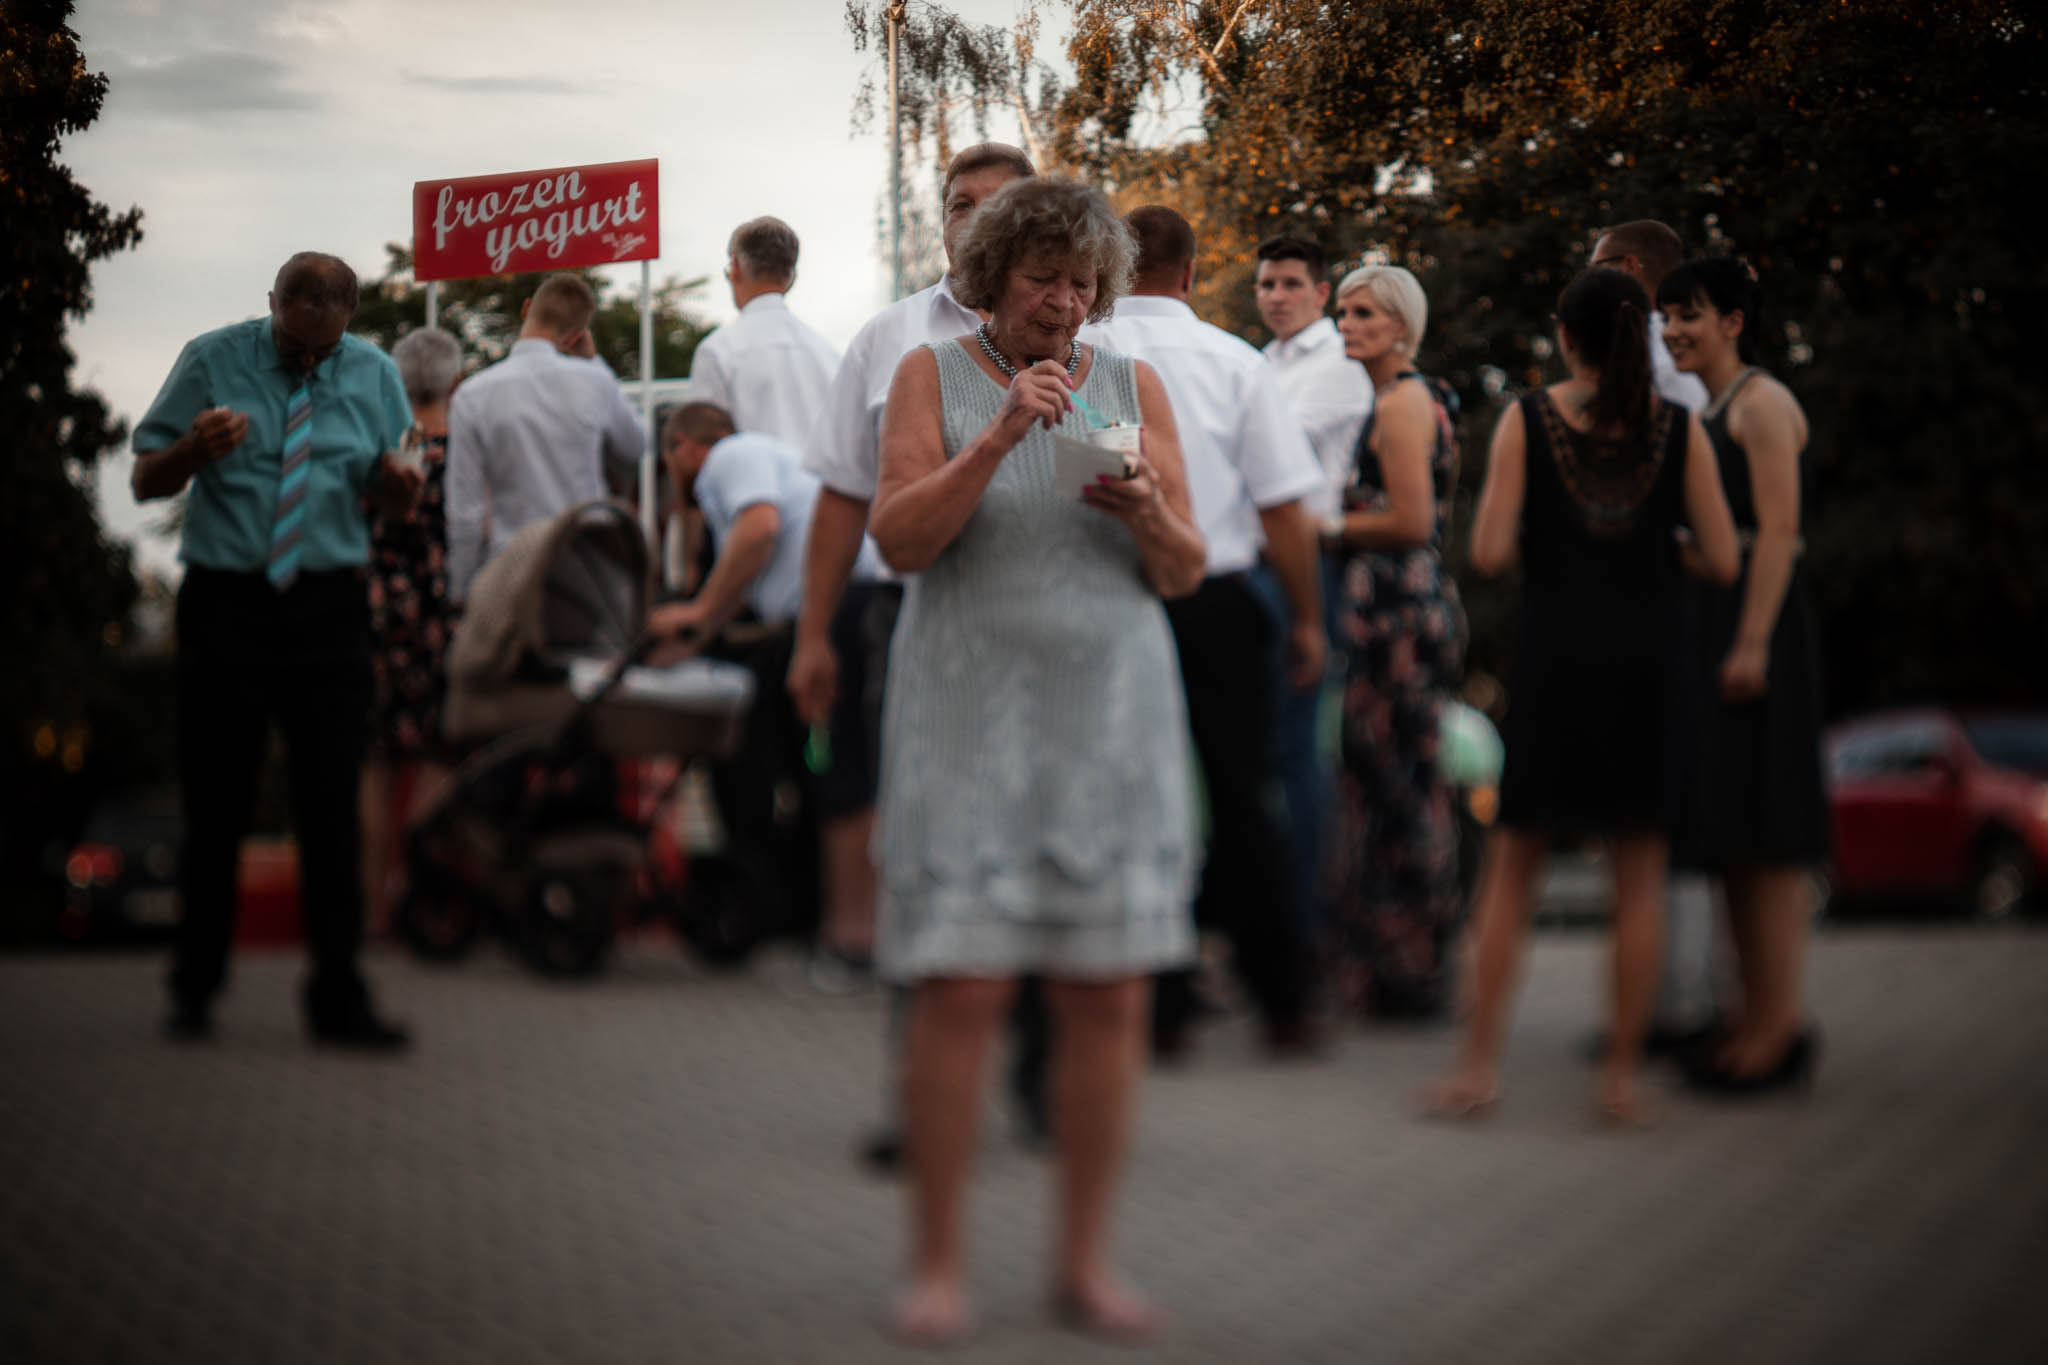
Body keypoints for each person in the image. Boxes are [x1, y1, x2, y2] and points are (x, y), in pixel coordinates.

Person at [867, 176, 1206, 1345]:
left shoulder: (1130, 383)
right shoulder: (930, 377)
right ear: (992, 283)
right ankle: (938, 1264)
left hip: (1105, 720)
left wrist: (1148, 512)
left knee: (1106, 998)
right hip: (967, 721)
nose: (1064, 304)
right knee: (962, 988)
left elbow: (1186, 570)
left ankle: (1081, 1264)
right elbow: (899, 540)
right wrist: (1004, 431)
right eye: (1040, 280)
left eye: (1081, 283)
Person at [1429, 267, 1739, 1125]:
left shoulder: (1529, 420)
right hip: (1649, 670)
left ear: (1565, 337)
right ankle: (1620, 1083)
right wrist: (1657, 548)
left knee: (1511, 871)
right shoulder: (1679, 428)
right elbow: (1721, 558)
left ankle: (1478, 1069)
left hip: (1555, 666)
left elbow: (1488, 551)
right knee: (1637, 875)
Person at [789, 142, 1049, 1163]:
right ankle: (919, 1100)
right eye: (958, 203)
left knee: (1035, 854)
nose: (973, 218)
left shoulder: (1082, 333)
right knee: (925, 855)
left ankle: (1039, 1086)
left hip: (1039, 627)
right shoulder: (889, 339)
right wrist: (812, 634)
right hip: (909, 621)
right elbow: (844, 498)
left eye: (998, 205)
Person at [131, 252, 423, 1048]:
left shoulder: (372, 375)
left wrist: (399, 487)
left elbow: (400, 492)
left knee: (330, 807)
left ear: (348, 325)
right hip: (227, 600)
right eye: (294, 343)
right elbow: (144, 481)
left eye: (322, 349)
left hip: (328, 602)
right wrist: (193, 450)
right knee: (216, 801)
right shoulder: (211, 358)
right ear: (271, 306)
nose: (306, 361)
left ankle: (338, 996)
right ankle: (194, 986)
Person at [1100, 206, 1327, 1059]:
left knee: (1132, 798)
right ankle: (1284, 1001)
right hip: (1221, 597)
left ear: (1113, 271)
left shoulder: (1090, 359)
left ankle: (1155, 1008)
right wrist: (1306, 617)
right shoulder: (1237, 363)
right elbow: (1283, 506)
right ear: (1192, 274)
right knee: (1241, 794)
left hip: (1121, 591)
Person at [1659, 257, 1829, 1094]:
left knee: (1770, 844)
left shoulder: (1763, 404)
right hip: (1716, 632)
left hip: (1760, 638)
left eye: (1688, 314)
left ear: (1733, 320)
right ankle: (1744, 1015)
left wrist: (1754, 643)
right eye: (1665, 317)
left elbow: (1783, 532)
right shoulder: (1709, 410)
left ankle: (1779, 1030)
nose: (1672, 330)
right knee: (1730, 839)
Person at [1588, 219, 1722, 1050]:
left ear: (1630, 272)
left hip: (1655, 607)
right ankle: (1666, 1000)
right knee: (1654, 821)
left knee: (1655, 820)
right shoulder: (1677, 370)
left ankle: (1671, 1006)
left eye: (1596, 266)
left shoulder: (1658, 370)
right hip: (1657, 604)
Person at [1323, 265, 1467, 1020]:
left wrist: (1329, 523)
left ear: (1401, 325)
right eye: (1343, 311)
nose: (1346, 323)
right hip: (1396, 608)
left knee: (1400, 784)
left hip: (1396, 613)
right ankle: (1395, 962)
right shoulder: (1413, 396)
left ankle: (1414, 966)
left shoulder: (1404, 403)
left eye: (1364, 312)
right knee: (1386, 780)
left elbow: (1412, 520)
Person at [1255, 232, 1374, 942]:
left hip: (1306, 565)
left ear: (1321, 293)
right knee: (1266, 748)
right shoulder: (1261, 363)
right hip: (1258, 563)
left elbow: (1264, 454)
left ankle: (1305, 930)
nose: (1276, 296)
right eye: (1267, 284)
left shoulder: (1336, 363)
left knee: (1297, 749)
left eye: (1291, 283)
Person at [443, 273, 646, 600]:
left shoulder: (473, 394)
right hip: (585, 562)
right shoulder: (594, 380)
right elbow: (636, 445)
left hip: (510, 567)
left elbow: (465, 509)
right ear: (577, 335)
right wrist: (594, 363)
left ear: (526, 309)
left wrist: (462, 587)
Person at [360, 326, 464, 936]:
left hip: (376, 614)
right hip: (442, 616)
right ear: (453, 381)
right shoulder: (466, 454)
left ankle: (371, 915)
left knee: (371, 764)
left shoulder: (383, 451)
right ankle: (414, 889)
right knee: (440, 756)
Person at [688, 217, 842, 447]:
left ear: (735, 267)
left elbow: (704, 450)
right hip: (820, 483)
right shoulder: (829, 354)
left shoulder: (718, 351)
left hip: (749, 482)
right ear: (792, 278)